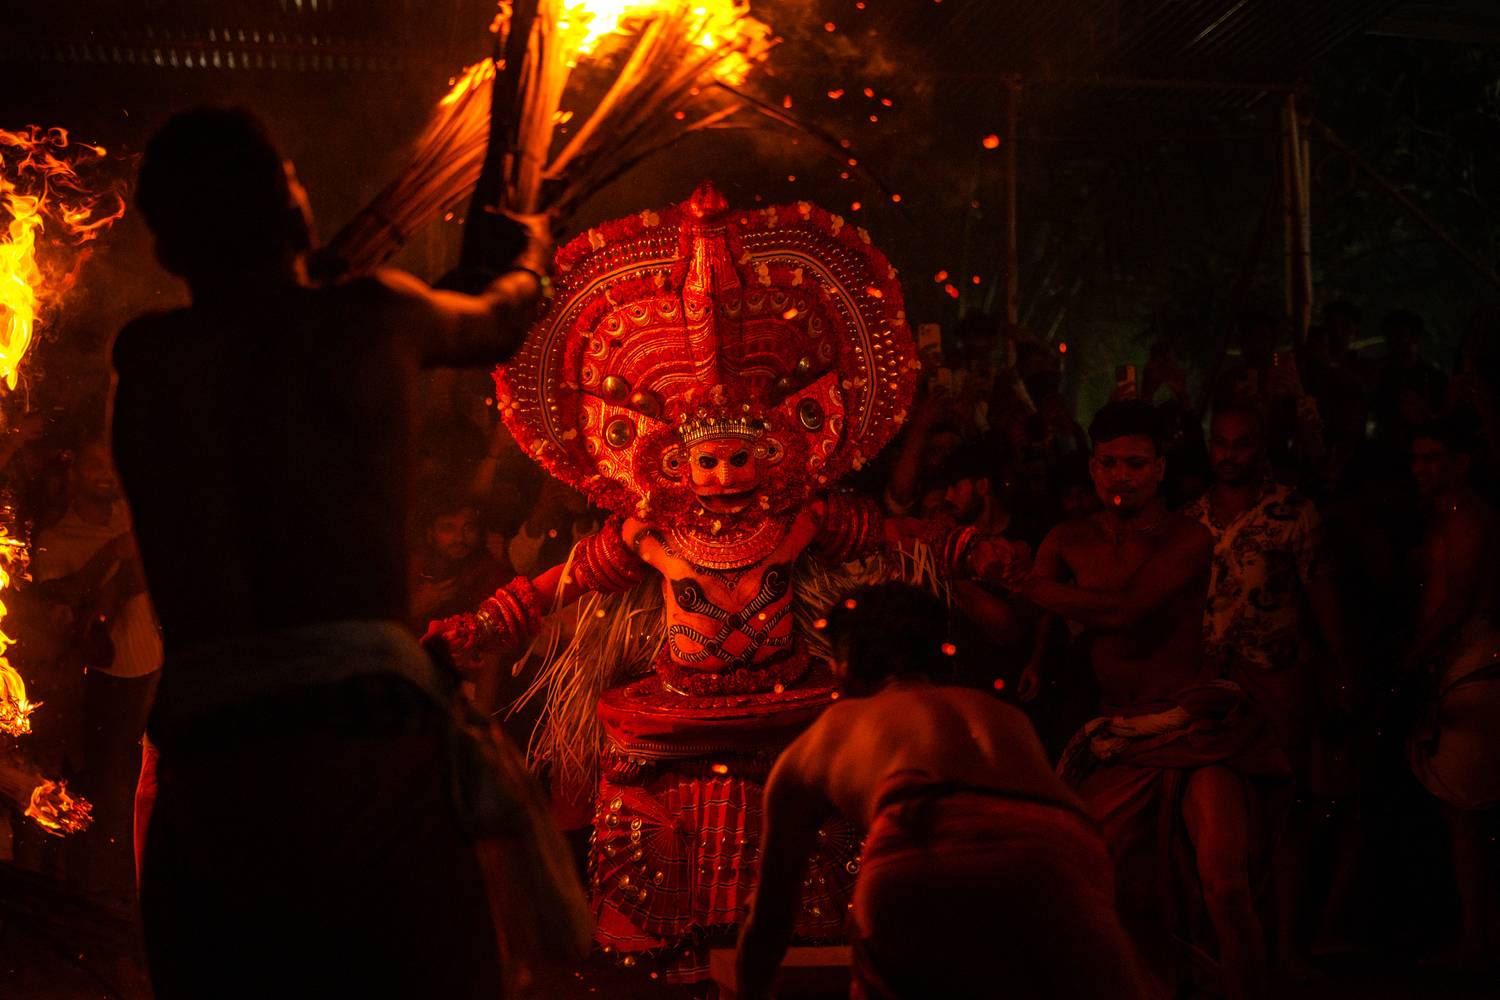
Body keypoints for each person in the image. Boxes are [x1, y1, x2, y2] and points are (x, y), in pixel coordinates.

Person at [110, 107, 584, 997]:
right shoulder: (374, 317)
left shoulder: (150, 353)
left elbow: (258, 343)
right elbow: (496, 321)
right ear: (297, 218)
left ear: (170, 253)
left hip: (210, 745)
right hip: (365, 727)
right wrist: (529, 248)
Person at [735, 582, 1150, 1000]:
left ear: (843, 667)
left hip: (924, 841)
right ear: (940, 653)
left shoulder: (834, 727)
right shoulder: (1001, 714)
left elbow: (770, 914)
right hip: (1067, 848)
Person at [1006, 400, 1282, 1000]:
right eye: (1108, 463)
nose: (1120, 476)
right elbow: (1022, 615)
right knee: (1096, 885)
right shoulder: (1067, 539)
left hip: (1192, 726)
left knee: (1225, 885)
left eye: (1135, 463)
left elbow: (1123, 611)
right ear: (1092, 468)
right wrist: (961, 557)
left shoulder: (1187, 536)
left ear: (1160, 468)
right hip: (1120, 736)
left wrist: (1027, 582)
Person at [1182, 403, 1352, 976]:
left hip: (1280, 677)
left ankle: (1286, 943)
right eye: (1221, 442)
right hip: (1211, 685)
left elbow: (1323, 595)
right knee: (1220, 812)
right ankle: (1229, 943)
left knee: (1287, 812)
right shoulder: (1190, 517)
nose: (1230, 454)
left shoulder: (1292, 512)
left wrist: (1340, 669)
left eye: (1242, 444)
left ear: (1261, 447)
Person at [31, 438, 162, 900]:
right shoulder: (58, 539)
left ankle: (148, 888)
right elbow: (59, 606)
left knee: (154, 788)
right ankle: (105, 895)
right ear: (74, 475)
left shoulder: (130, 517)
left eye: (110, 462)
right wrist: (112, 555)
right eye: (93, 465)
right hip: (108, 685)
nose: (105, 473)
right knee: (112, 794)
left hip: (157, 672)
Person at [1405, 417, 1500, 969]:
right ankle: (1474, 931)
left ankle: (1476, 937)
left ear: (1460, 462)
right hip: (1455, 663)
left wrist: (1411, 661)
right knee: (1460, 810)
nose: (1421, 469)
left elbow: (1460, 600)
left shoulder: (1470, 518)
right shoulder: (1443, 516)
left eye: (1432, 458)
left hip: (1473, 659)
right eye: (1416, 458)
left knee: (1469, 811)